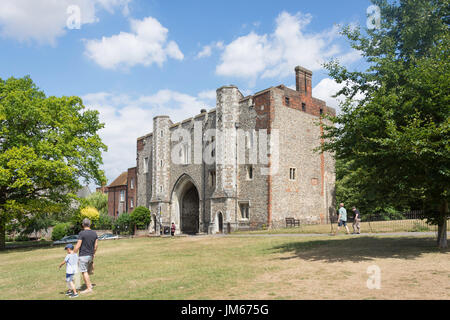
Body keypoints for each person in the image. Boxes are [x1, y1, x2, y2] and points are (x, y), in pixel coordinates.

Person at [74, 218, 98, 294]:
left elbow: (78, 245)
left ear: (83, 225)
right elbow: (96, 245)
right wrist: (93, 253)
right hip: (90, 255)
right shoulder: (94, 233)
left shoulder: (82, 233)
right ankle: (89, 285)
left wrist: (73, 254)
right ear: (90, 224)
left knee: (84, 272)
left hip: (83, 256)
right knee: (86, 271)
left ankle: (88, 288)